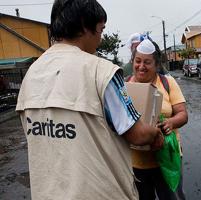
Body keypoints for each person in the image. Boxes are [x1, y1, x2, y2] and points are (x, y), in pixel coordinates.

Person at [16, 0, 164, 199]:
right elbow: (137, 134)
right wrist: (155, 133)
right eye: (101, 30)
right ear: (86, 25)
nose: (100, 39)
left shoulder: (31, 76)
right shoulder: (101, 72)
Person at [127, 39, 188, 200]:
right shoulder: (124, 85)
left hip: (167, 159)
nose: (141, 66)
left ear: (156, 64)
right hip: (136, 162)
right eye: (138, 61)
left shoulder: (168, 82)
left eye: (147, 62)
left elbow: (182, 114)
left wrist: (171, 123)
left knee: (172, 197)